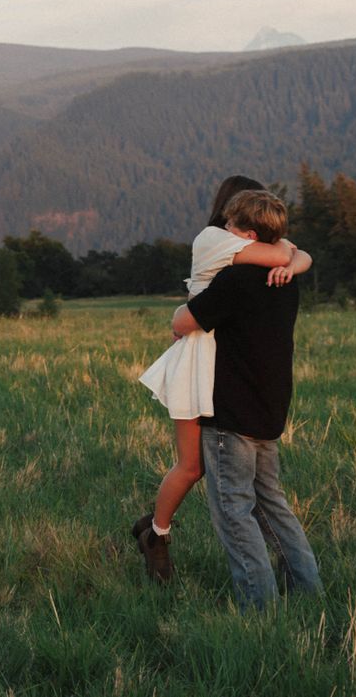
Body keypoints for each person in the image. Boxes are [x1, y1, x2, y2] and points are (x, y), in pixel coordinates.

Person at [133, 180, 312, 585]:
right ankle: (158, 534)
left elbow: (288, 252)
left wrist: (291, 259)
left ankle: (258, 601)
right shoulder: (224, 246)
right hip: (231, 380)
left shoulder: (239, 269)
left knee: (231, 499)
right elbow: (289, 250)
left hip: (224, 376)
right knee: (219, 478)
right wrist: (291, 259)